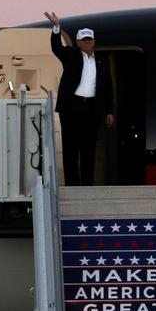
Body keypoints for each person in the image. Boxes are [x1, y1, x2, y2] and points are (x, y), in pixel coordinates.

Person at [44, 11, 115, 186]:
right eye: (83, 40)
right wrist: (56, 27)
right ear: (78, 42)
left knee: (89, 149)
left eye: (89, 39)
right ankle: (72, 186)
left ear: (94, 41)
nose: (87, 42)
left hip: (92, 108)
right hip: (72, 107)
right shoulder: (71, 55)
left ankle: (87, 186)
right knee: (70, 149)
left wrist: (110, 111)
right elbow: (56, 47)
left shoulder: (102, 61)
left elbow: (107, 88)